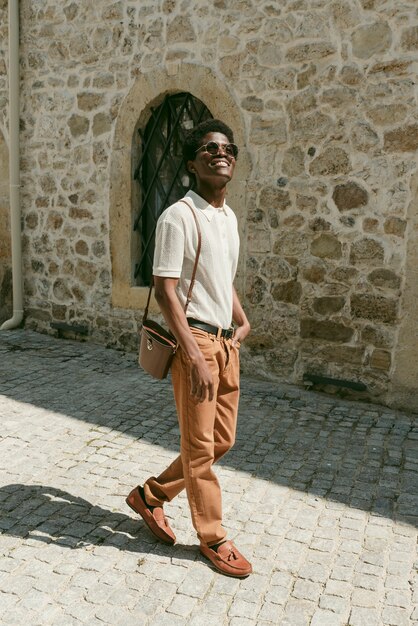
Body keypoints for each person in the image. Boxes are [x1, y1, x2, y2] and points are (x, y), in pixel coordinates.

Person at [126, 119, 252, 578]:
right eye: (208, 148)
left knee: (221, 440)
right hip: (195, 340)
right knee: (200, 447)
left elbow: (223, 277)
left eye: (227, 147)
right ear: (191, 163)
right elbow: (165, 289)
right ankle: (213, 537)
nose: (220, 153)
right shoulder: (178, 215)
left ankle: (150, 495)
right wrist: (194, 354)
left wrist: (241, 319)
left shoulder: (228, 216)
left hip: (225, 341)